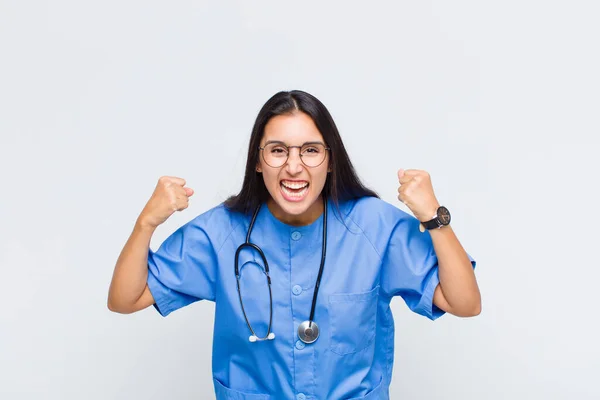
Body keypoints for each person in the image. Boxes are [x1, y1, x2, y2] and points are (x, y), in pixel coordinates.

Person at [107, 90, 481, 400]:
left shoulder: (374, 226)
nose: (294, 167)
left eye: (311, 150)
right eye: (277, 150)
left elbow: (464, 303)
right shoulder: (221, 232)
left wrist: (434, 217)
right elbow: (126, 299)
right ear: (258, 161)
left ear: (330, 161)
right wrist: (146, 223)